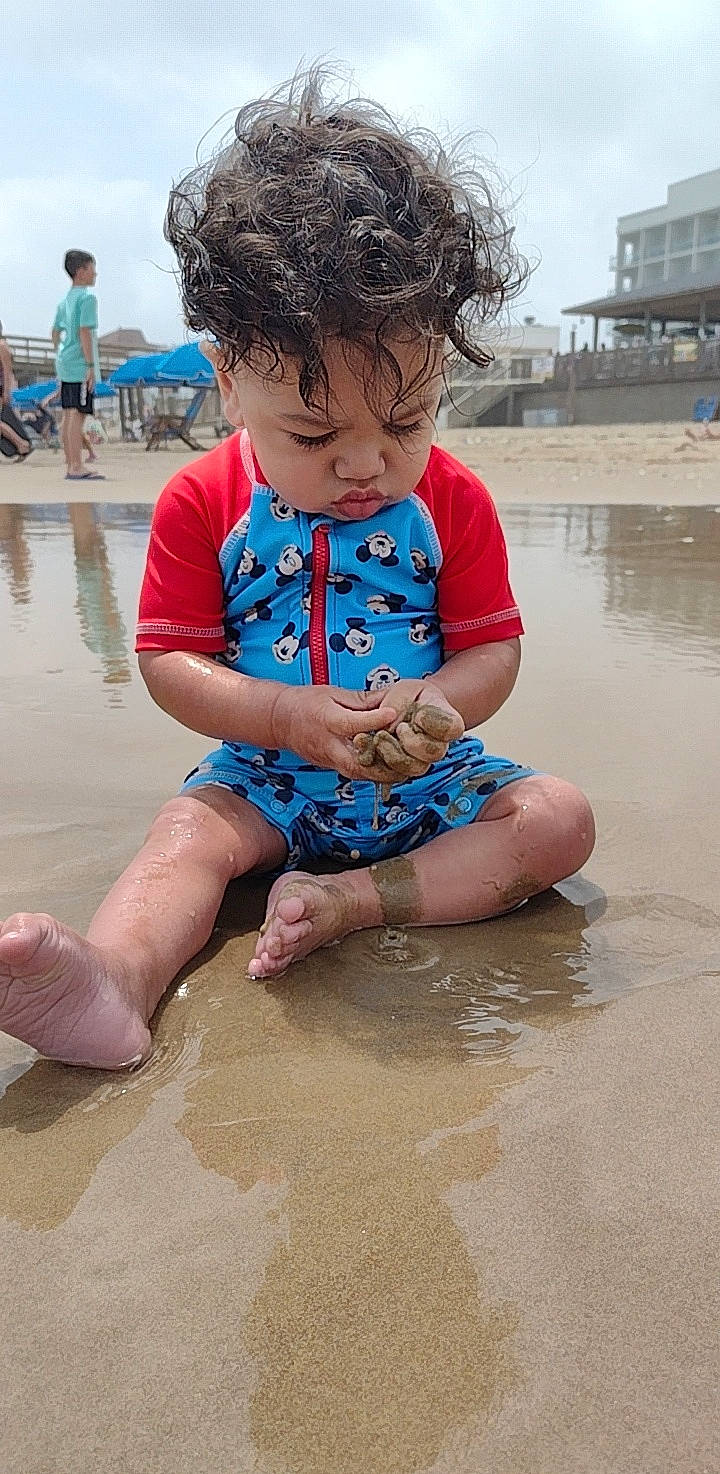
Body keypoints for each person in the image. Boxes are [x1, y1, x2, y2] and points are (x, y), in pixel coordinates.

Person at [0, 66, 595, 1070]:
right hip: (263, 778)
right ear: (229, 382)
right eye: (315, 432)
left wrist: (440, 706)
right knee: (185, 836)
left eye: (406, 421)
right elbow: (167, 660)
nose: (366, 462)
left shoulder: (452, 502)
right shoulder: (203, 504)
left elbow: (493, 649)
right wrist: (280, 719)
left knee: (558, 820)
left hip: (425, 776)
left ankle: (353, 901)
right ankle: (116, 976)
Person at [51, 249, 105, 481]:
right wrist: (90, 365)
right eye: (92, 268)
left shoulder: (65, 300)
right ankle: (75, 465)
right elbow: (84, 331)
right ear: (81, 271)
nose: (96, 273)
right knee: (78, 413)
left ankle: (71, 461)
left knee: (68, 413)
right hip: (79, 363)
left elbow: (55, 333)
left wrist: (61, 352)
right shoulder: (87, 298)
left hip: (65, 361)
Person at [0, 320, 33, 460]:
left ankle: (21, 444)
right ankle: (20, 445)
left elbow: (7, 371)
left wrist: (7, 391)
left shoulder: (2, 346)